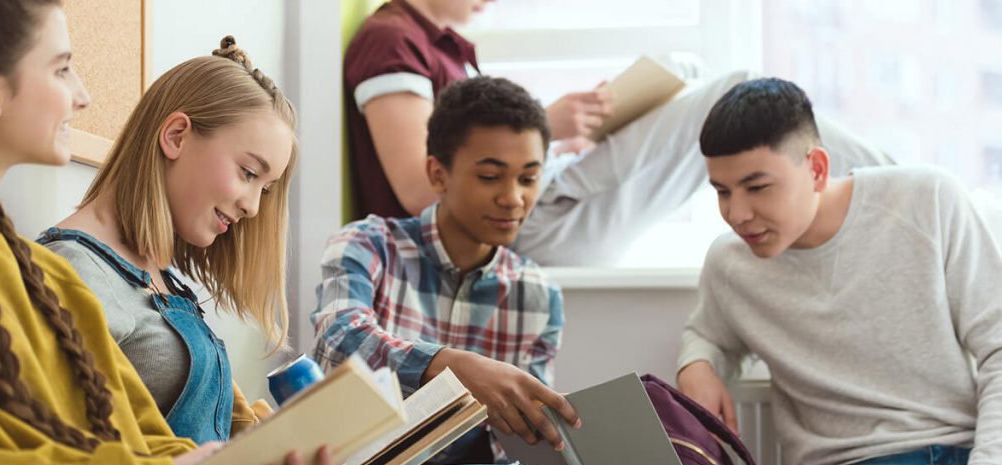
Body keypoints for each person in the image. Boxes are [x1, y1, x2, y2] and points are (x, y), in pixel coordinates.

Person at [0, 2, 505, 465]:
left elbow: (137, 437)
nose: (83, 96)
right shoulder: (68, 272)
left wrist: (256, 456)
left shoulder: (34, 267)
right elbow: (100, 454)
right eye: (61, 69)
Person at [314, 75, 645, 465]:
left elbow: (517, 436)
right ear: (438, 173)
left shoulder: (537, 294)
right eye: (491, 176)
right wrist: (449, 367)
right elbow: (337, 340)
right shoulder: (368, 244)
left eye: (529, 178)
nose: (514, 198)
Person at [677, 77, 1002, 465]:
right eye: (721, 191)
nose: (737, 214)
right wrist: (697, 363)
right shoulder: (730, 265)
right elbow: (707, 332)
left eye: (757, 187)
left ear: (817, 168)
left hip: (967, 452)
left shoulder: (927, 200)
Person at [344, 0, 894, 265]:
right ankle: (896, 186)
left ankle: (891, 191)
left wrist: (574, 135)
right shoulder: (392, 42)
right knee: (742, 86)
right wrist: (547, 127)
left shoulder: (440, 49)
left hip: (549, 206)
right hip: (532, 226)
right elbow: (421, 190)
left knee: (692, 78)